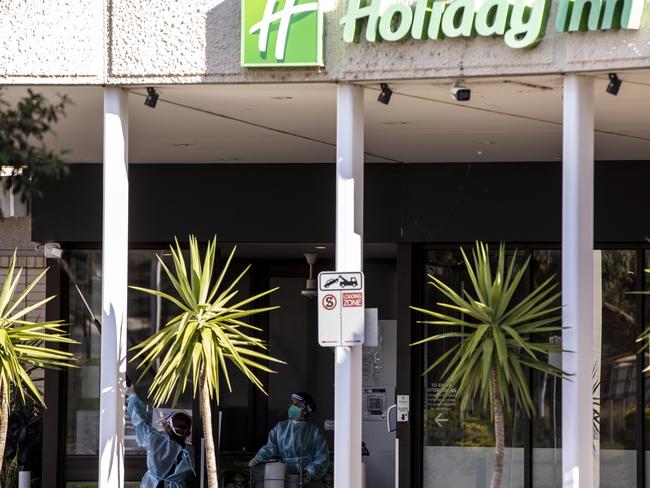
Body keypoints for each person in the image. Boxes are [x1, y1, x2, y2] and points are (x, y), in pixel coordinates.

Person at [249, 392, 329, 486]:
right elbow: (270, 447)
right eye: (292, 403)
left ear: (307, 410)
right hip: (282, 476)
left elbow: (322, 457)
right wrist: (259, 457)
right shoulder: (280, 427)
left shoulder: (314, 432)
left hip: (306, 479)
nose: (292, 406)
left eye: (297, 405)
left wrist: (309, 473)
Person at [126, 384, 196, 488]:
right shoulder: (190, 452)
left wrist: (132, 396)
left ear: (168, 427)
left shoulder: (155, 439)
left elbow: (140, 422)